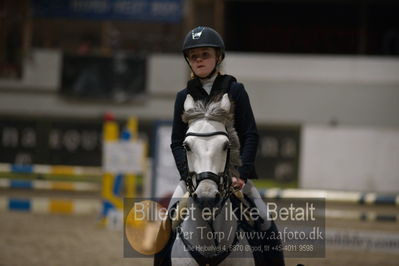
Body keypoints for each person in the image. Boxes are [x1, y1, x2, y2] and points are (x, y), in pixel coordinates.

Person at [155, 26, 284, 266]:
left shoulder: (235, 90)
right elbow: (176, 141)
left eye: (205, 54)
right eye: (194, 56)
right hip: (195, 177)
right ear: (188, 61)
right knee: (165, 227)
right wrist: (187, 175)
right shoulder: (183, 97)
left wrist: (242, 176)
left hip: (233, 177)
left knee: (266, 222)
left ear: (218, 57)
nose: (199, 60)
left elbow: (250, 134)